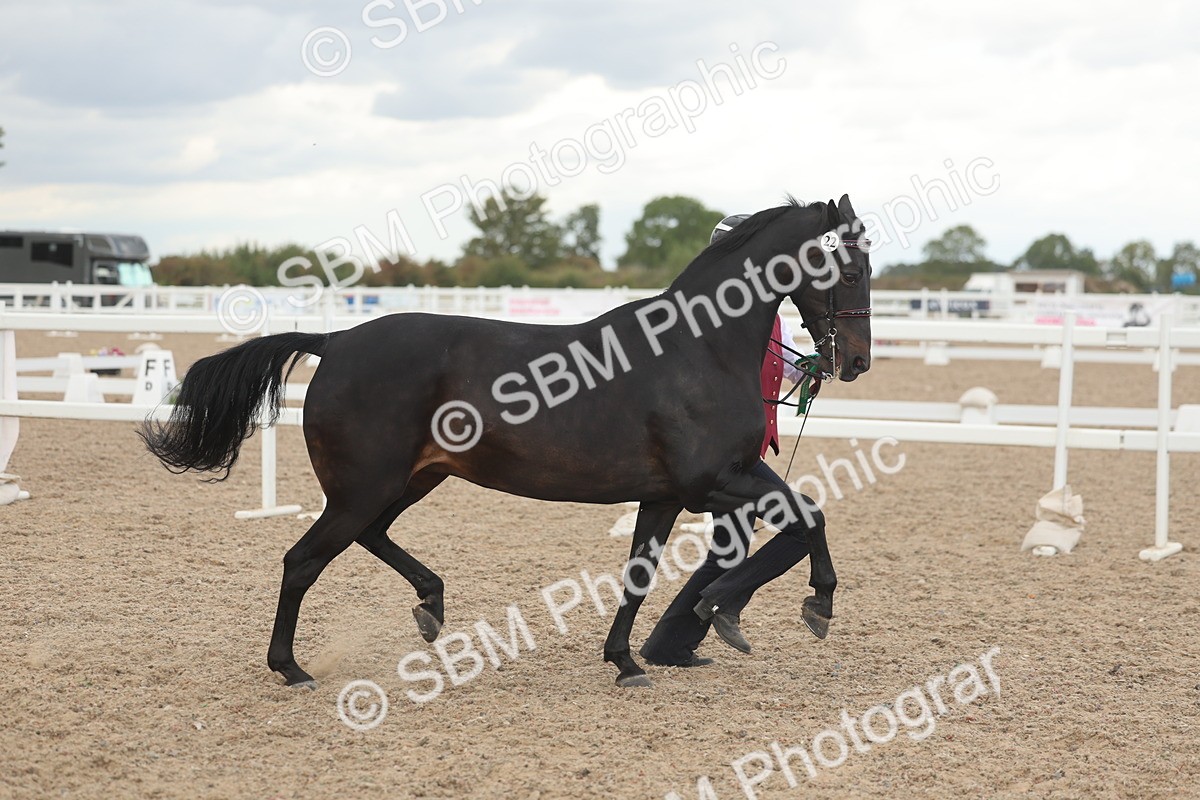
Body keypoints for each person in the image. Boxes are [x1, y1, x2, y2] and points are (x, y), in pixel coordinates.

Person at [639, 213, 820, 667]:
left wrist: (811, 369)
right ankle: (723, 602)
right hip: (714, 455)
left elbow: (782, 369)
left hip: (742, 450)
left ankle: (671, 642)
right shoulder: (704, 316)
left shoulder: (770, 319)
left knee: (732, 546)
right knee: (797, 527)